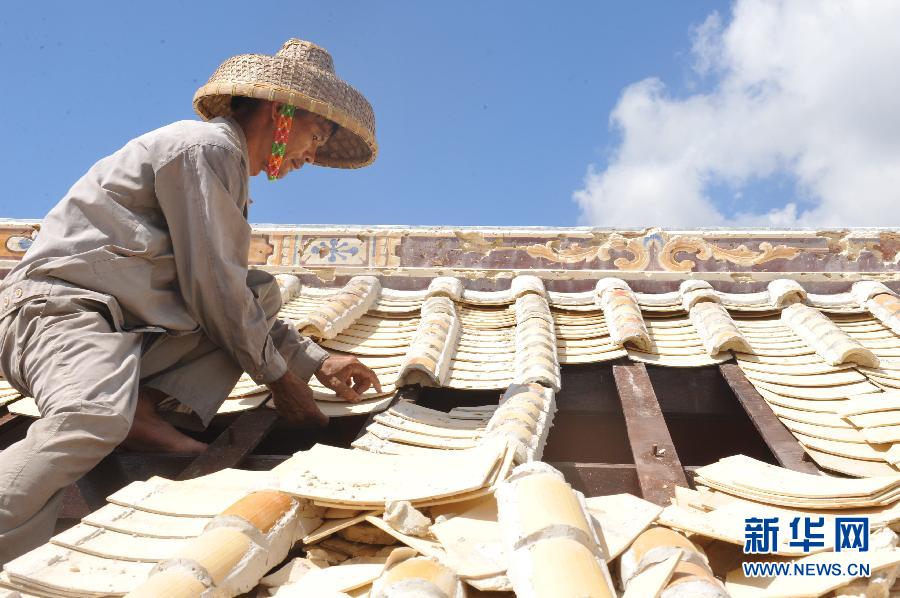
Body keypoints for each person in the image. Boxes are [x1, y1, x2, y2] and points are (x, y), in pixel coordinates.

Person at [0, 38, 380, 564]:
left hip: (118, 329)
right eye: (313, 137)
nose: (309, 156)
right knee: (90, 418)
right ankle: (123, 412)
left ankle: (142, 409)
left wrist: (318, 360)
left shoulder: (225, 168)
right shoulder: (205, 148)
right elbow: (215, 289)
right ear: (282, 113)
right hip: (60, 310)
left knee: (258, 293)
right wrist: (281, 379)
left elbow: (235, 295)